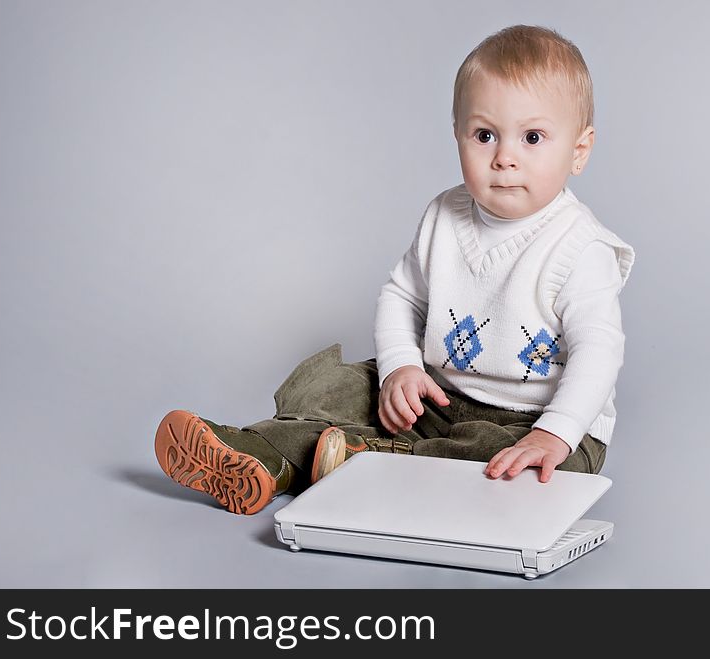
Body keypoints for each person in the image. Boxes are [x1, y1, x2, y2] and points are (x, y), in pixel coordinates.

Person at [154, 24, 635, 515]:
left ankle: (371, 460)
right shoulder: (444, 216)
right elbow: (401, 296)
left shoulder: (579, 247)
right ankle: (260, 451)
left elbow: (599, 349)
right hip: (439, 396)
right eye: (484, 135)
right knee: (344, 387)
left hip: (531, 419)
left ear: (578, 150)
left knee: (526, 468)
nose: (504, 158)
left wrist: (556, 430)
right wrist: (401, 365)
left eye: (532, 137)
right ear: (458, 136)